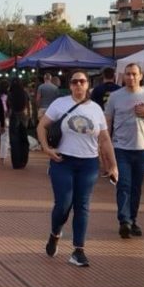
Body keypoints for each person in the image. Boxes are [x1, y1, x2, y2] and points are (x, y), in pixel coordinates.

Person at [37, 70, 118, 267]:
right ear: (70, 85)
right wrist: (46, 149)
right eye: (75, 82)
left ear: (88, 84)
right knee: (63, 204)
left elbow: (105, 139)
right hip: (63, 161)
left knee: (82, 206)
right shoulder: (60, 104)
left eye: (82, 82)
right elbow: (42, 126)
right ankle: (55, 233)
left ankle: (78, 250)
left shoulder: (96, 109)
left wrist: (113, 165)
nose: (78, 85)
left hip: (88, 163)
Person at [104, 63, 144, 238]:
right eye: (128, 74)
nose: (130, 77)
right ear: (123, 76)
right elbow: (107, 123)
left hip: (141, 148)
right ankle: (124, 221)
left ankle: (133, 219)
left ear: (140, 76)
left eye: (134, 74)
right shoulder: (115, 97)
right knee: (123, 185)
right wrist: (104, 148)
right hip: (120, 148)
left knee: (136, 187)